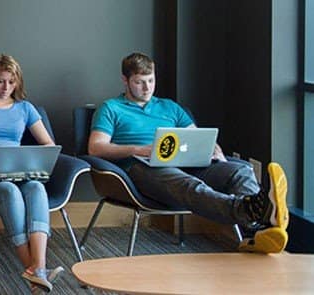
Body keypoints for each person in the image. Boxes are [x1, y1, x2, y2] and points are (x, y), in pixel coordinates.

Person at [88, 52, 289, 253]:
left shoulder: (169, 107)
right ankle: (247, 210)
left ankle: (256, 232)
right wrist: (138, 149)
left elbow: (197, 136)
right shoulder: (111, 108)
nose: (147, 88)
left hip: (186, 163)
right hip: (141, 168)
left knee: (240, 171)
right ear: (125, 80)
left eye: (151, 80)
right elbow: (96, 147)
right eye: (140, 82)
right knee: (188, 184)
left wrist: (213, 150)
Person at [0, 53, 63, 293]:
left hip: (17, 170)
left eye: (11, 82)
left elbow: (48, 144)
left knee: (36, 187)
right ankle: (35, 271)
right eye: (0, 81)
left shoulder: (26, 108)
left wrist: (31, 157)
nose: (6, 88)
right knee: (10, 192)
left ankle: (39, 267)